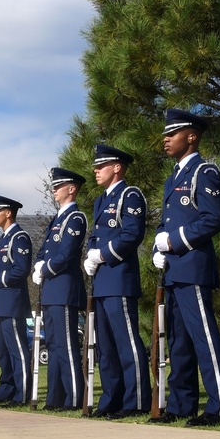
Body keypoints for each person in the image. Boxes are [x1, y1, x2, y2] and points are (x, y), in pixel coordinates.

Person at [149, 109, 220, 426]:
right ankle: (182, 404)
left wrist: (175, 241)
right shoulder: (174, 176)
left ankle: (219, 405)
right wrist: (159, 241)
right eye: (165, 134)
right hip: (174, 270)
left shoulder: (204, 172)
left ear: (192, 136)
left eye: (173, 133)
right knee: (178, 342)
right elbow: (167, 222)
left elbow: (212, 219)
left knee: (203, 339)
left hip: (194, 267)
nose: (166, 139)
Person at [83, 144, 151, 419]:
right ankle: (111, 399)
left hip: (119, 278)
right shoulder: (101, 200)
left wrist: (102, 254)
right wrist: (91, 252)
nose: (96, 170)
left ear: (117, 167)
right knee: (106, 347)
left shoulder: (129, 194)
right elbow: (96, 235)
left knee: (126, 343)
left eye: (101, 166)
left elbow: (132, 233)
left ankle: (135, 400)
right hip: (103, 280)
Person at [32, 167, 88, 411]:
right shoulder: (56, 220)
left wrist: (45, 268)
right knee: (53, 345)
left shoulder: (76, 218)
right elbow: (43, 251)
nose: (53, 189)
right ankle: (55, 398)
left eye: (58, 186)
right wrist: (38, 265)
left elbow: (65, 254)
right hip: (51, 290)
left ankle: (74, 397)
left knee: (66, 345)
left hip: (64, 288)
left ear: (71, 189)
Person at [0, 194, 33, 406]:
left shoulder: (19, 237)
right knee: (4, 352)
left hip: (14, 302)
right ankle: (6, 390)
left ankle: (22, 393)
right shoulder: (4, 239)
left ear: (8, 213)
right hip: (2, 303)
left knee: (17, 351)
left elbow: (21, 270)